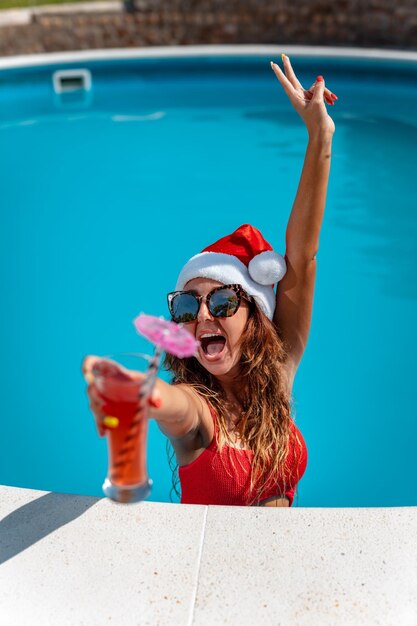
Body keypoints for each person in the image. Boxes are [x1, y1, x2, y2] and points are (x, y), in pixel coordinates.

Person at [84, 55, 336, 507]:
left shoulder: (278, 375)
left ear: (255, 314)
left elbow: (304, 255)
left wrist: (320, 136)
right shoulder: (200, 413)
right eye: (186, 306)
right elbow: (171, 405)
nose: (201, 315)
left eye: (221, 302)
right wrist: (136, 389)